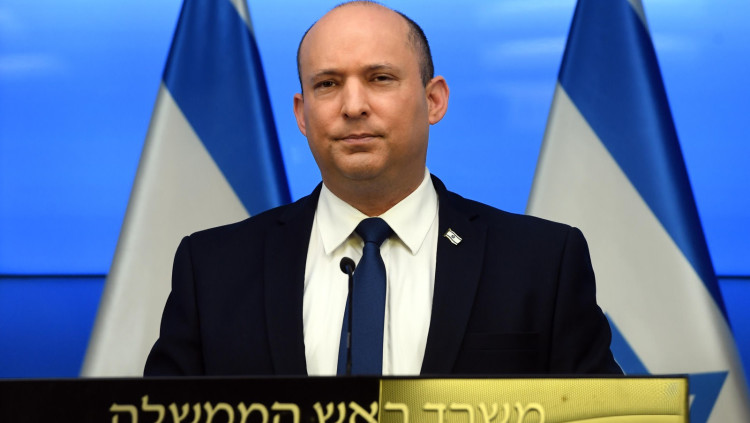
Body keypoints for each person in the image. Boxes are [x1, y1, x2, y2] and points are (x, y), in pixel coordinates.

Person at [145, 1, 621, 376]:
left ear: (434, 100)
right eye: (328, 84)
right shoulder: (212, 268)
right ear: (302, 115)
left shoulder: (542, 262)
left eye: (380, 79)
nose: (353, 106)